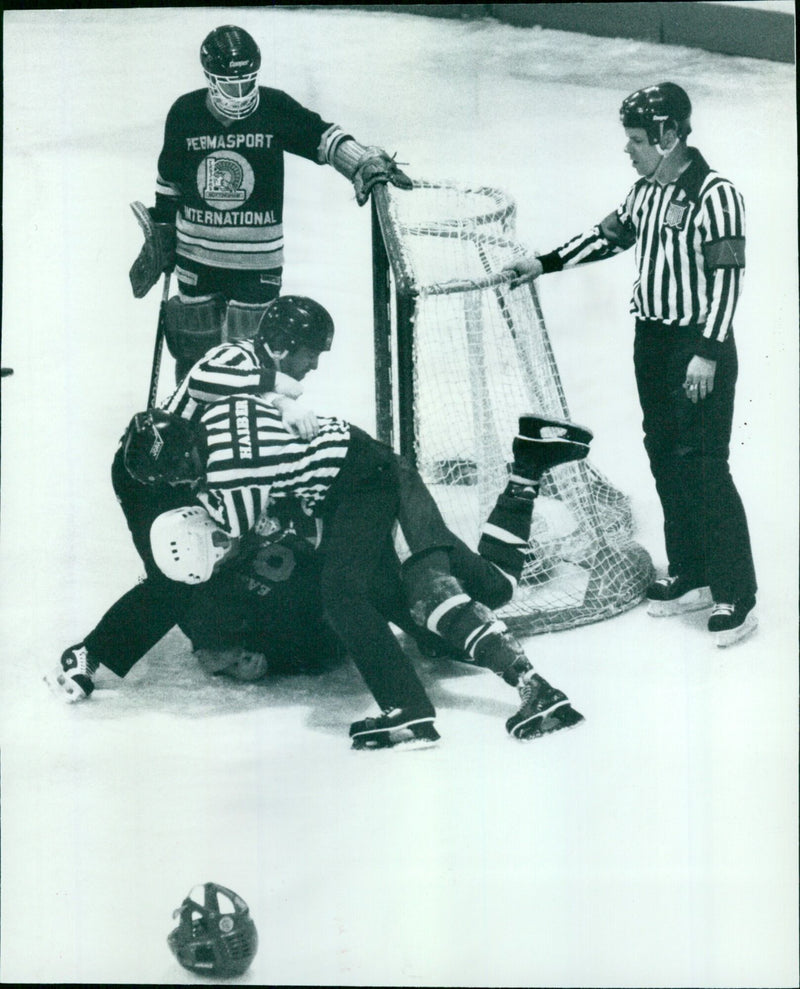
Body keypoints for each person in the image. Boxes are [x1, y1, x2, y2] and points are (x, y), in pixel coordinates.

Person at [120, 395, 589, 748]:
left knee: (417, 599)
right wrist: (286, 404)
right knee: (495, 587)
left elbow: (240, 525)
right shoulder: (211, 415)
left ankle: (522, 692)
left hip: (373, 484)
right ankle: (528, 465)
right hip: (361, 486)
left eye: (177, 477)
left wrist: (217, 547)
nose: (183, 485)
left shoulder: (230, 481)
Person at [508, 82, 757, 647]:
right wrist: (543, 263)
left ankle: (737, 593)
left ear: (670, 134)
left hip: (698, 346)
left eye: (638, 139)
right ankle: (691, 570)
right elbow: (606, 237)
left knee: (704, 465)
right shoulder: (645, 190)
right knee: (665, 454)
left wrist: (708, 352)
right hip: (653, 341)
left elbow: (728, 278)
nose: (630, 149)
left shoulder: (716, 194)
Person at [128, 24, 413, 380]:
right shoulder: (185, 113)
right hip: (195, 261)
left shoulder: (274, 107)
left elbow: (321, 137)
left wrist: (360, 160)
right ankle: (192, 431)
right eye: (231, 84)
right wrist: (164, 231)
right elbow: (169, 182)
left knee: (250, 365)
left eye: (249, 81)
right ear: (210, 79)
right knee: (194, 363)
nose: (242, 91)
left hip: (257, 268)